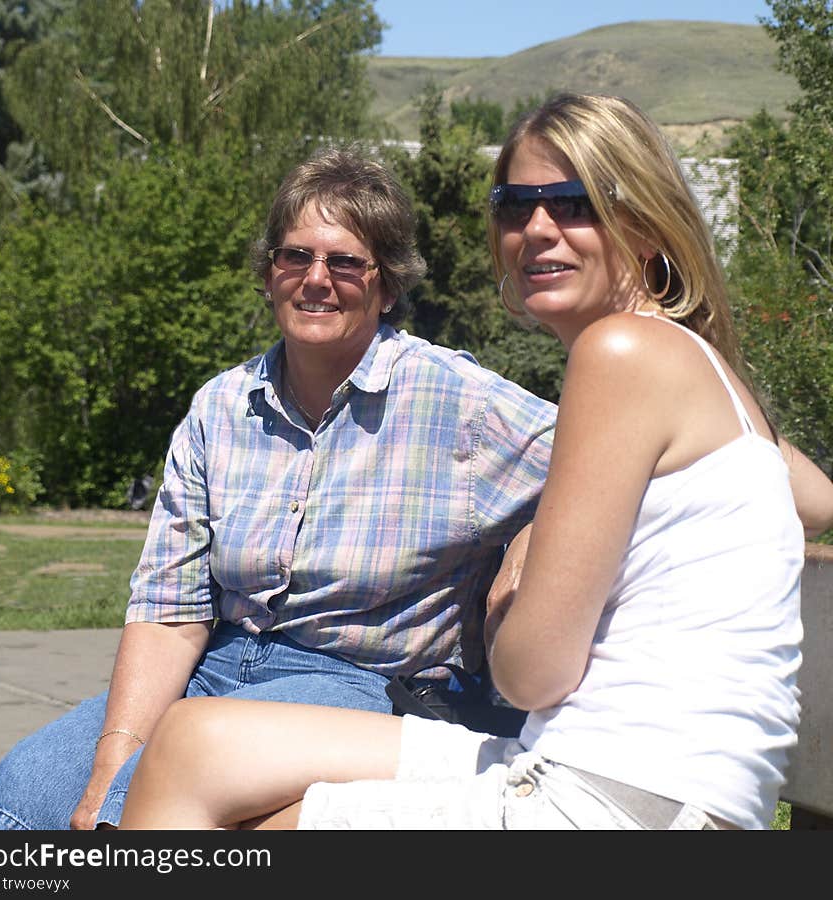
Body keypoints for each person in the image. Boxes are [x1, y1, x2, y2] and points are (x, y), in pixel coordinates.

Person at [117, 93, 833, 831]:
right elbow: (814, 497)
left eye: (575, 203)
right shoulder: (700, 371)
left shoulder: (619, 353)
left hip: (616, 800)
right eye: (516, 205)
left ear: (648, 225)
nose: (536, 229)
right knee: (193, 744)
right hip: (610, 775)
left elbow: (531, 673)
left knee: (260, 823)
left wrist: (509, 595)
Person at [0, 145, 558, 831]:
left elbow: (621, 458)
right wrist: (113, 755)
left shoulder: (464, 406)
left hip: (356, 685)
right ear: (269, 270)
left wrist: (533, 536)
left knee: (133, 812)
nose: (316, 279)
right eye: (294, 257)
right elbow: (169, 612)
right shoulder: (219, 408)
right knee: (22, 797)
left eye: (345, 261)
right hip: (214, 668)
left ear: (388, 284)